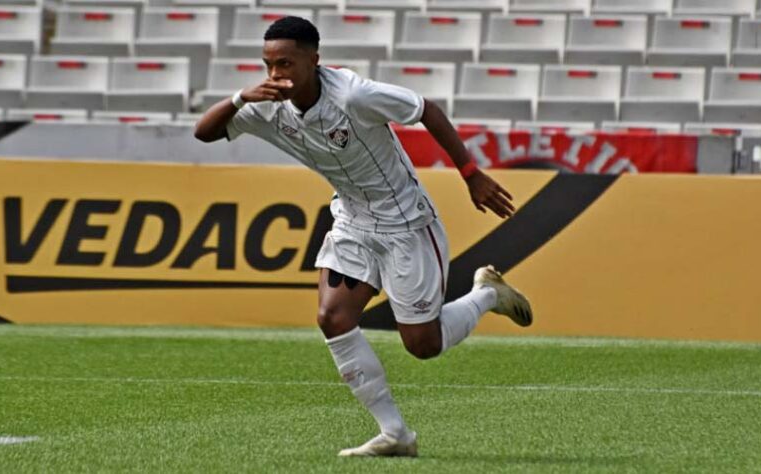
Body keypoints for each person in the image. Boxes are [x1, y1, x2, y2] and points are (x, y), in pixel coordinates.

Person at [195, 16, 533, 457]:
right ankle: (396, 434)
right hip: (353, 222)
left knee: (423, 345)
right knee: (332, 318)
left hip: (406, 223)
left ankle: (487, 294)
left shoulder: (353, 95)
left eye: (286, 63)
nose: (276, 75)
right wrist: (241, 96)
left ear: (314, 60)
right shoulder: (265, 104)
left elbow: (426, 108)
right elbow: (204, 132)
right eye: (268, 64)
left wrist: (470, 174)